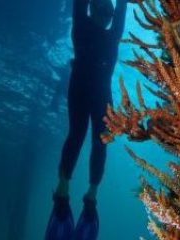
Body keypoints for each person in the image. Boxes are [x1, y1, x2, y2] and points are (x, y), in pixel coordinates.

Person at [45, 0, 128, 239]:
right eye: (104, 11)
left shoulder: (109, 33)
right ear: (93, 10)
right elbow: (80, 5)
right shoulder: (82, 25)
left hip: (98, 93)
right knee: (78, 135)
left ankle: (90, 195)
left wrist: (119, 6)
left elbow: (121, 8)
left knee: (100, 140)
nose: (108, 17)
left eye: (110, 13)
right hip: (84, 90)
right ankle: (64, 189)